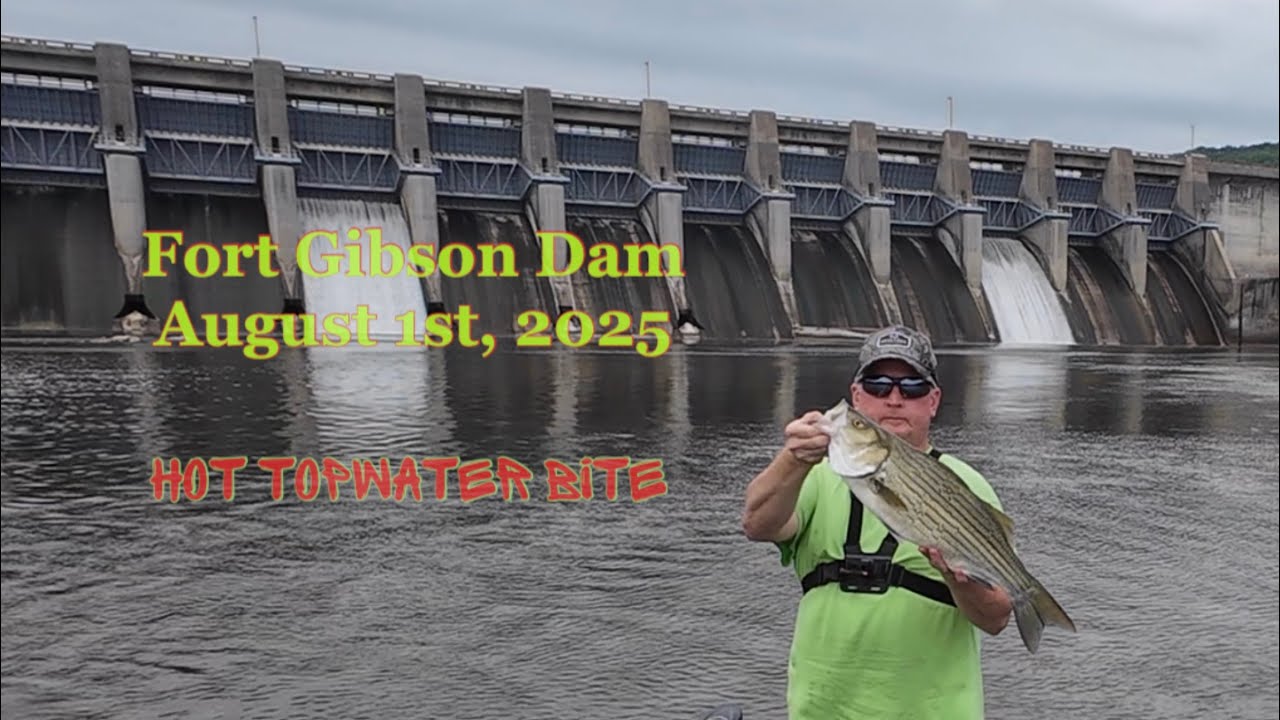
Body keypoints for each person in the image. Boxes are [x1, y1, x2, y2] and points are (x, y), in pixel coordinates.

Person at [741, 324, 1013, 720]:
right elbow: (757, 524)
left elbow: (997, 617)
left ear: (933, 401)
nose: (895, 398)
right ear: (856, 396)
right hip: (821, 711)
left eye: (913, 387)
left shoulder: (970, 488)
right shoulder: (814, 474)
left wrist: (959, 579)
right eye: (878, 384)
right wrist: (792, 460)